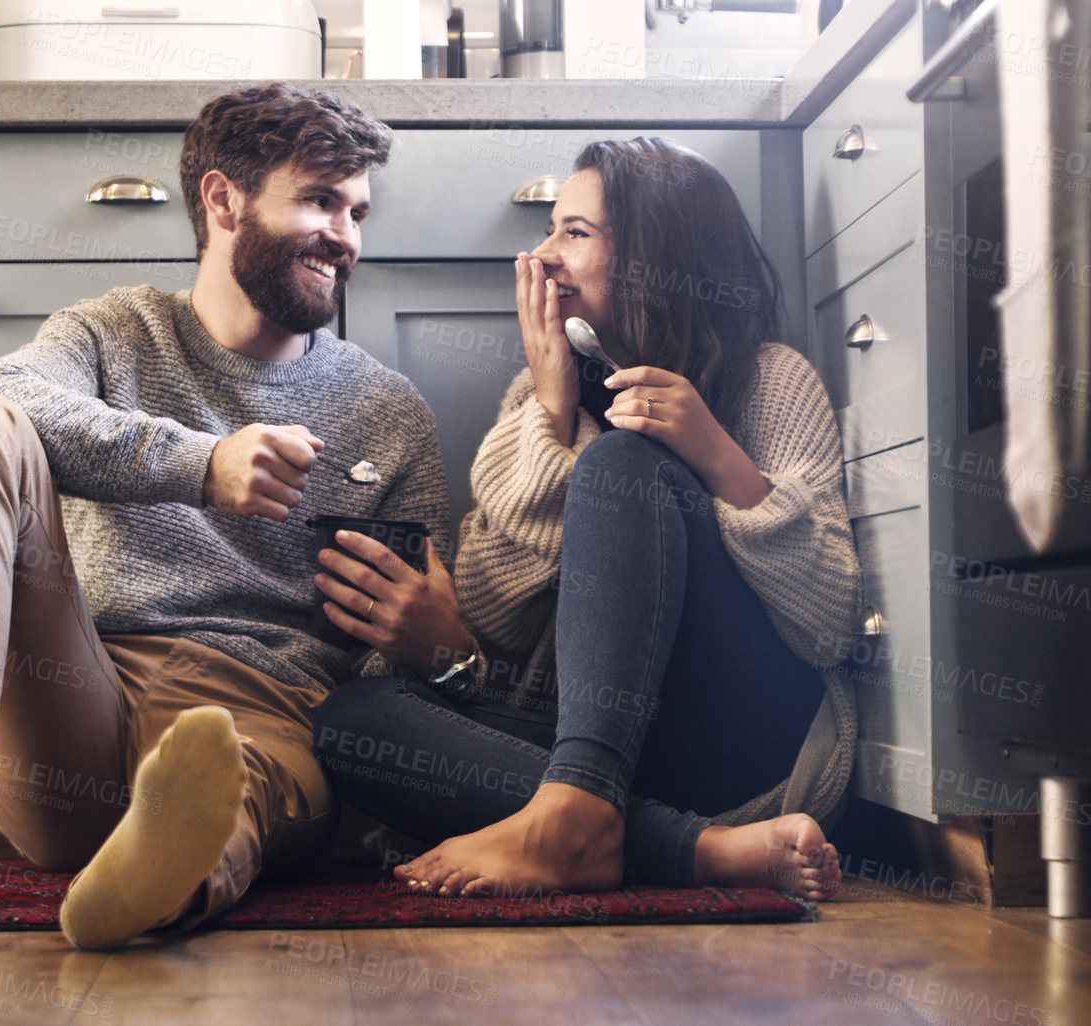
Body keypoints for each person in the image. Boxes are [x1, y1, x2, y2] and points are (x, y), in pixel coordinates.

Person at [0, 83, 449, 950]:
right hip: (76, 695)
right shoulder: (113, 333)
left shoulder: (389, 412)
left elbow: (409, 661)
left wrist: (439, 649)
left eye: (357, 211)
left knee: (228, 780)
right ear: (224, 200)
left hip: (265, 709)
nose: (345, 237)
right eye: (318, 201)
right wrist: (202, 464)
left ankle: (153, 880)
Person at [310, 137, 861, 900]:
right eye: (550, 230)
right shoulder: (540, 396)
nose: (542, 258)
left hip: (745, 739)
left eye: (575, 233)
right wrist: (550, 412)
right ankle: (689, 849)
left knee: (624, 463)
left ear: (656, 257)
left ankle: (585, 812)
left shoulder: (770, 379)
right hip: (613, 761)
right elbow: (496, 624)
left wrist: (718, 457)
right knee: (355, 720)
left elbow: (830, 625)